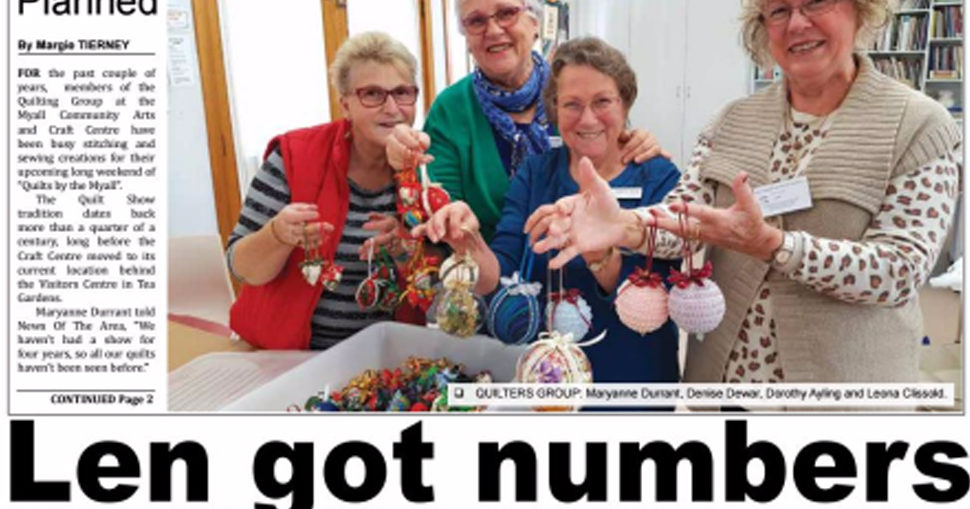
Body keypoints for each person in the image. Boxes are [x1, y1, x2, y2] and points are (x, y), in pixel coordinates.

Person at [525, 0, 961, 386]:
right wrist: (624, 224)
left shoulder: (919, 126)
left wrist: (776, 246)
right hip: (726, 388)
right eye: (779, 10)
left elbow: (900, 271)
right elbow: (687, 219)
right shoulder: (730, 120)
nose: (797, 23)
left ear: (861, 9)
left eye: (816, 3)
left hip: (841, 397)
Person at [415, 37, 682, 384]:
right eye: (572, 104)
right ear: (554, 110)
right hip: (550, 382)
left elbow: (663, 296)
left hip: (632, 379)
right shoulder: (536, 173)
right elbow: (501, 273)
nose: (588, 119)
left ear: (625, 102)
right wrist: (470, 244)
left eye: (602, 101)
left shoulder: (659, 177)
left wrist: (598, 252)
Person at [385, 0, 666, 241]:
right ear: (466, 38)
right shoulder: (451, 110)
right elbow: (439, 208)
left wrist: (636, 144)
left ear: (535, 23)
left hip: (587, 261)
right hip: (489, 269)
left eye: (507, 13)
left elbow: (609, 151)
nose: (493, 30)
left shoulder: (572, 88)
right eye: (476, 21)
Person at [227, 32, 419, 350]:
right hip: (290, 354)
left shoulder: (424, 168)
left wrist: (406, 249)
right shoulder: (294, 156)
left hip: (387, 355)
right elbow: (242, 268)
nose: (391, 108)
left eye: (402, 93)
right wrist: (277, 235)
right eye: (372, 94)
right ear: (345, 105)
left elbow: (440, 277)